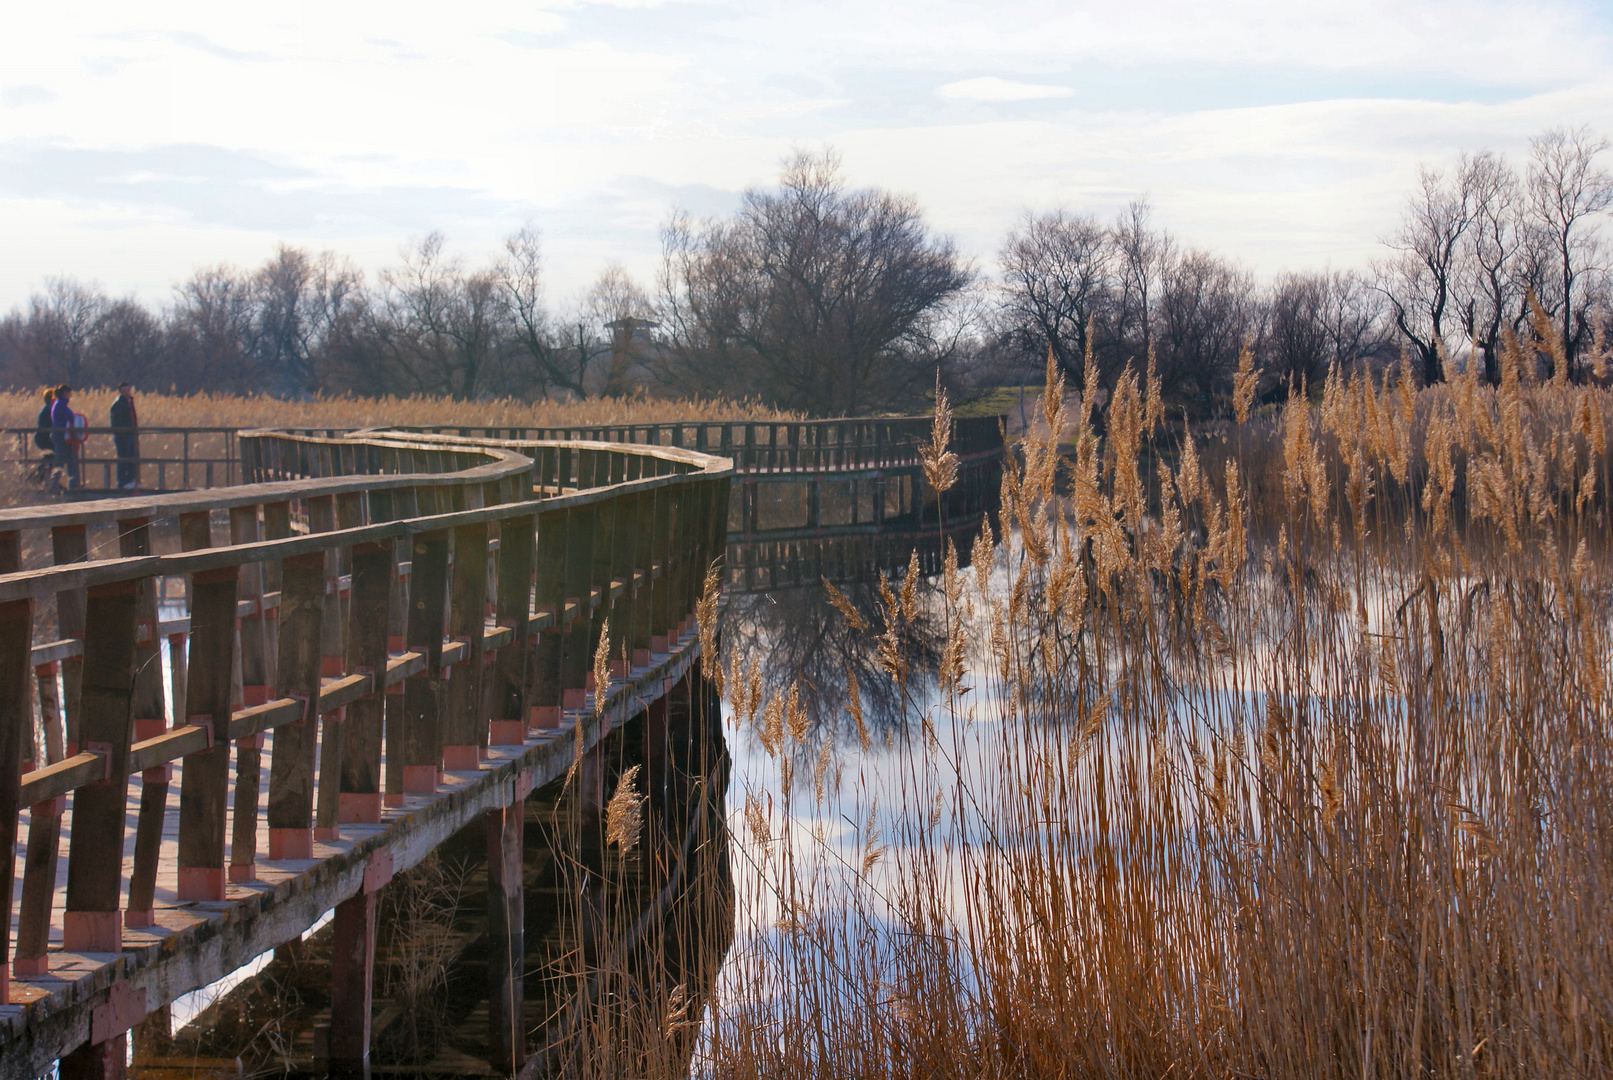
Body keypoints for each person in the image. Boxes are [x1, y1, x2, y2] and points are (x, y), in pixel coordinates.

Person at [49, 385, 78, 489]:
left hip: (62, 434)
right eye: (69, 393)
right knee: (60, 459)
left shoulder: (59, 403)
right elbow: (70, 417)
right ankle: (54, 483)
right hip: (61, 435)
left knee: (69, 457)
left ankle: (73, 483)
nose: (71, 395)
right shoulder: (61, 404)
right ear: (65, 393)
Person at [111, 382, 139, 489]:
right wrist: (121, 434)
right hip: (123, 436)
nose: (127, 392)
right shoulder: (118, 404)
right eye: (124, 390)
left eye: (128, 390)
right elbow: (115, 423)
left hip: (131, 435)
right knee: (123, 458)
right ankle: (122, 482)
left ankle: (131, 480)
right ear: (120, 392)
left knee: (132, 458)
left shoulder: (130, 402)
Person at [32, 387, 56, 484]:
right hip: (43, 438)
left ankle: (40, 478)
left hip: (44, 437)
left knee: (50, 458)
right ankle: (40, 478)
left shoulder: (48, 409)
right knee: (52, 456)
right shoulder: (47, 410)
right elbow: (48, 425)